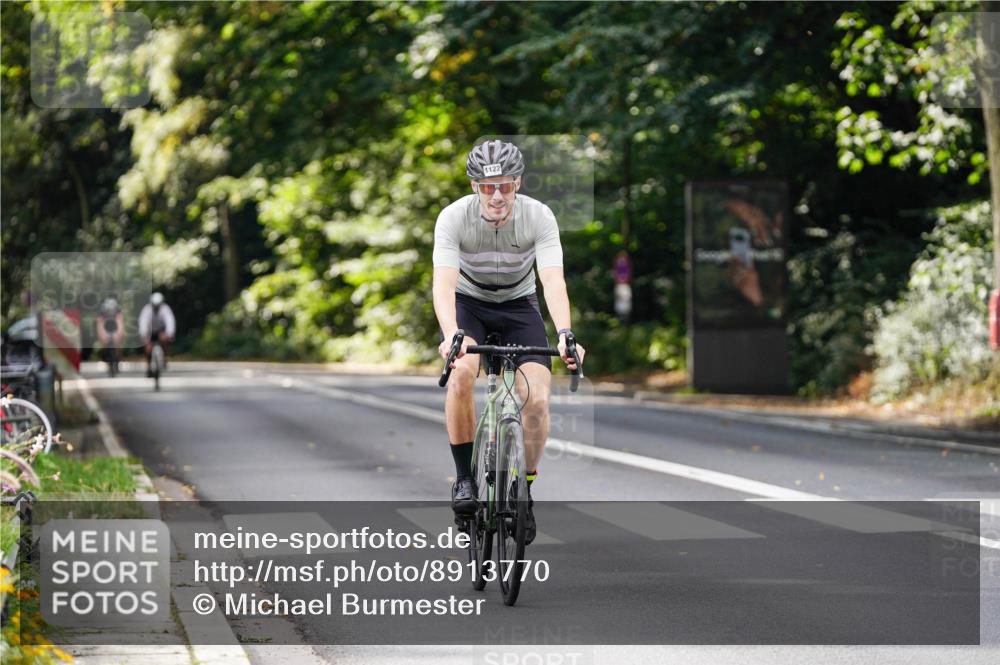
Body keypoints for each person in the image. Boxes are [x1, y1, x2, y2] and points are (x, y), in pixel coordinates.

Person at [433, 139, 585, 545]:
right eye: (487, 186)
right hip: (470, 304)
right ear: (473, 187)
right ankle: (464, 480)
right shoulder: (453, 218)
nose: (496, 195)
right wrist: (451, 336)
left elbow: (552, 278)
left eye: (504, 185)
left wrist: (566, 333)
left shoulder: (538, 216)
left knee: (536, 399)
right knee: (463, 373)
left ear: (517, 183)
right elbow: (444, 284)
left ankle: (524, 491)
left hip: (519, 305)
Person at [138, 292, 176, 377]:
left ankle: (165, 357)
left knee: (164, 340)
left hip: (161, 331)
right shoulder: (147, 309)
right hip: (150, 332)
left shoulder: (165, 309)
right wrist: (144, 336)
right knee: (147, 348)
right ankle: (148, 366)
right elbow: (143, 322)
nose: (156, 307)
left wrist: (169, 334)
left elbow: (170, 321)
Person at [96, 296, 125, 375]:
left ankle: (118, 360)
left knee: (118, 343)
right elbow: (100, 324)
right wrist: (102, 335)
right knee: (104, 342)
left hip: (115, 326)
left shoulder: (118, 311)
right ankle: (106, 357)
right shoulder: (102, 311)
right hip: (106, 327)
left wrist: (119, 334)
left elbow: (120, 323)